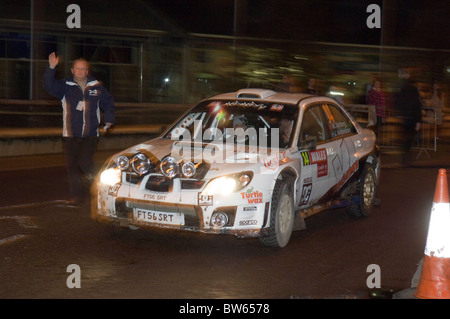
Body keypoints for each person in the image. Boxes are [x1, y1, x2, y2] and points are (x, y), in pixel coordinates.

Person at [43, 52, 115, 207]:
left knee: (86, 163)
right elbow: (48, 86)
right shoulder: (64, 86)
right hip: (70, 134)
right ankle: (77, 197)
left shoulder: (96, 87)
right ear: (72, 70)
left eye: (83, 69)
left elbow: (108, 103)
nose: (80, 71)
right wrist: (51, 67)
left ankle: (100, 191)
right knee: (71, 166)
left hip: (90, 134)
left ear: (87, 71)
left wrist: (109, 119)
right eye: (77, 69)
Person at [396, 68, 422, 167]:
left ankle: (404, 157)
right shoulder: (413, 89)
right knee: (409, 138)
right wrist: (418, 121)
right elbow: (417, 105)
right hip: (412, 117)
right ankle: (406, 157)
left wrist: (400, 113)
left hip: (406, 116)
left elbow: (399, 102)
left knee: (405, 137)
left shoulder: (402, 88)